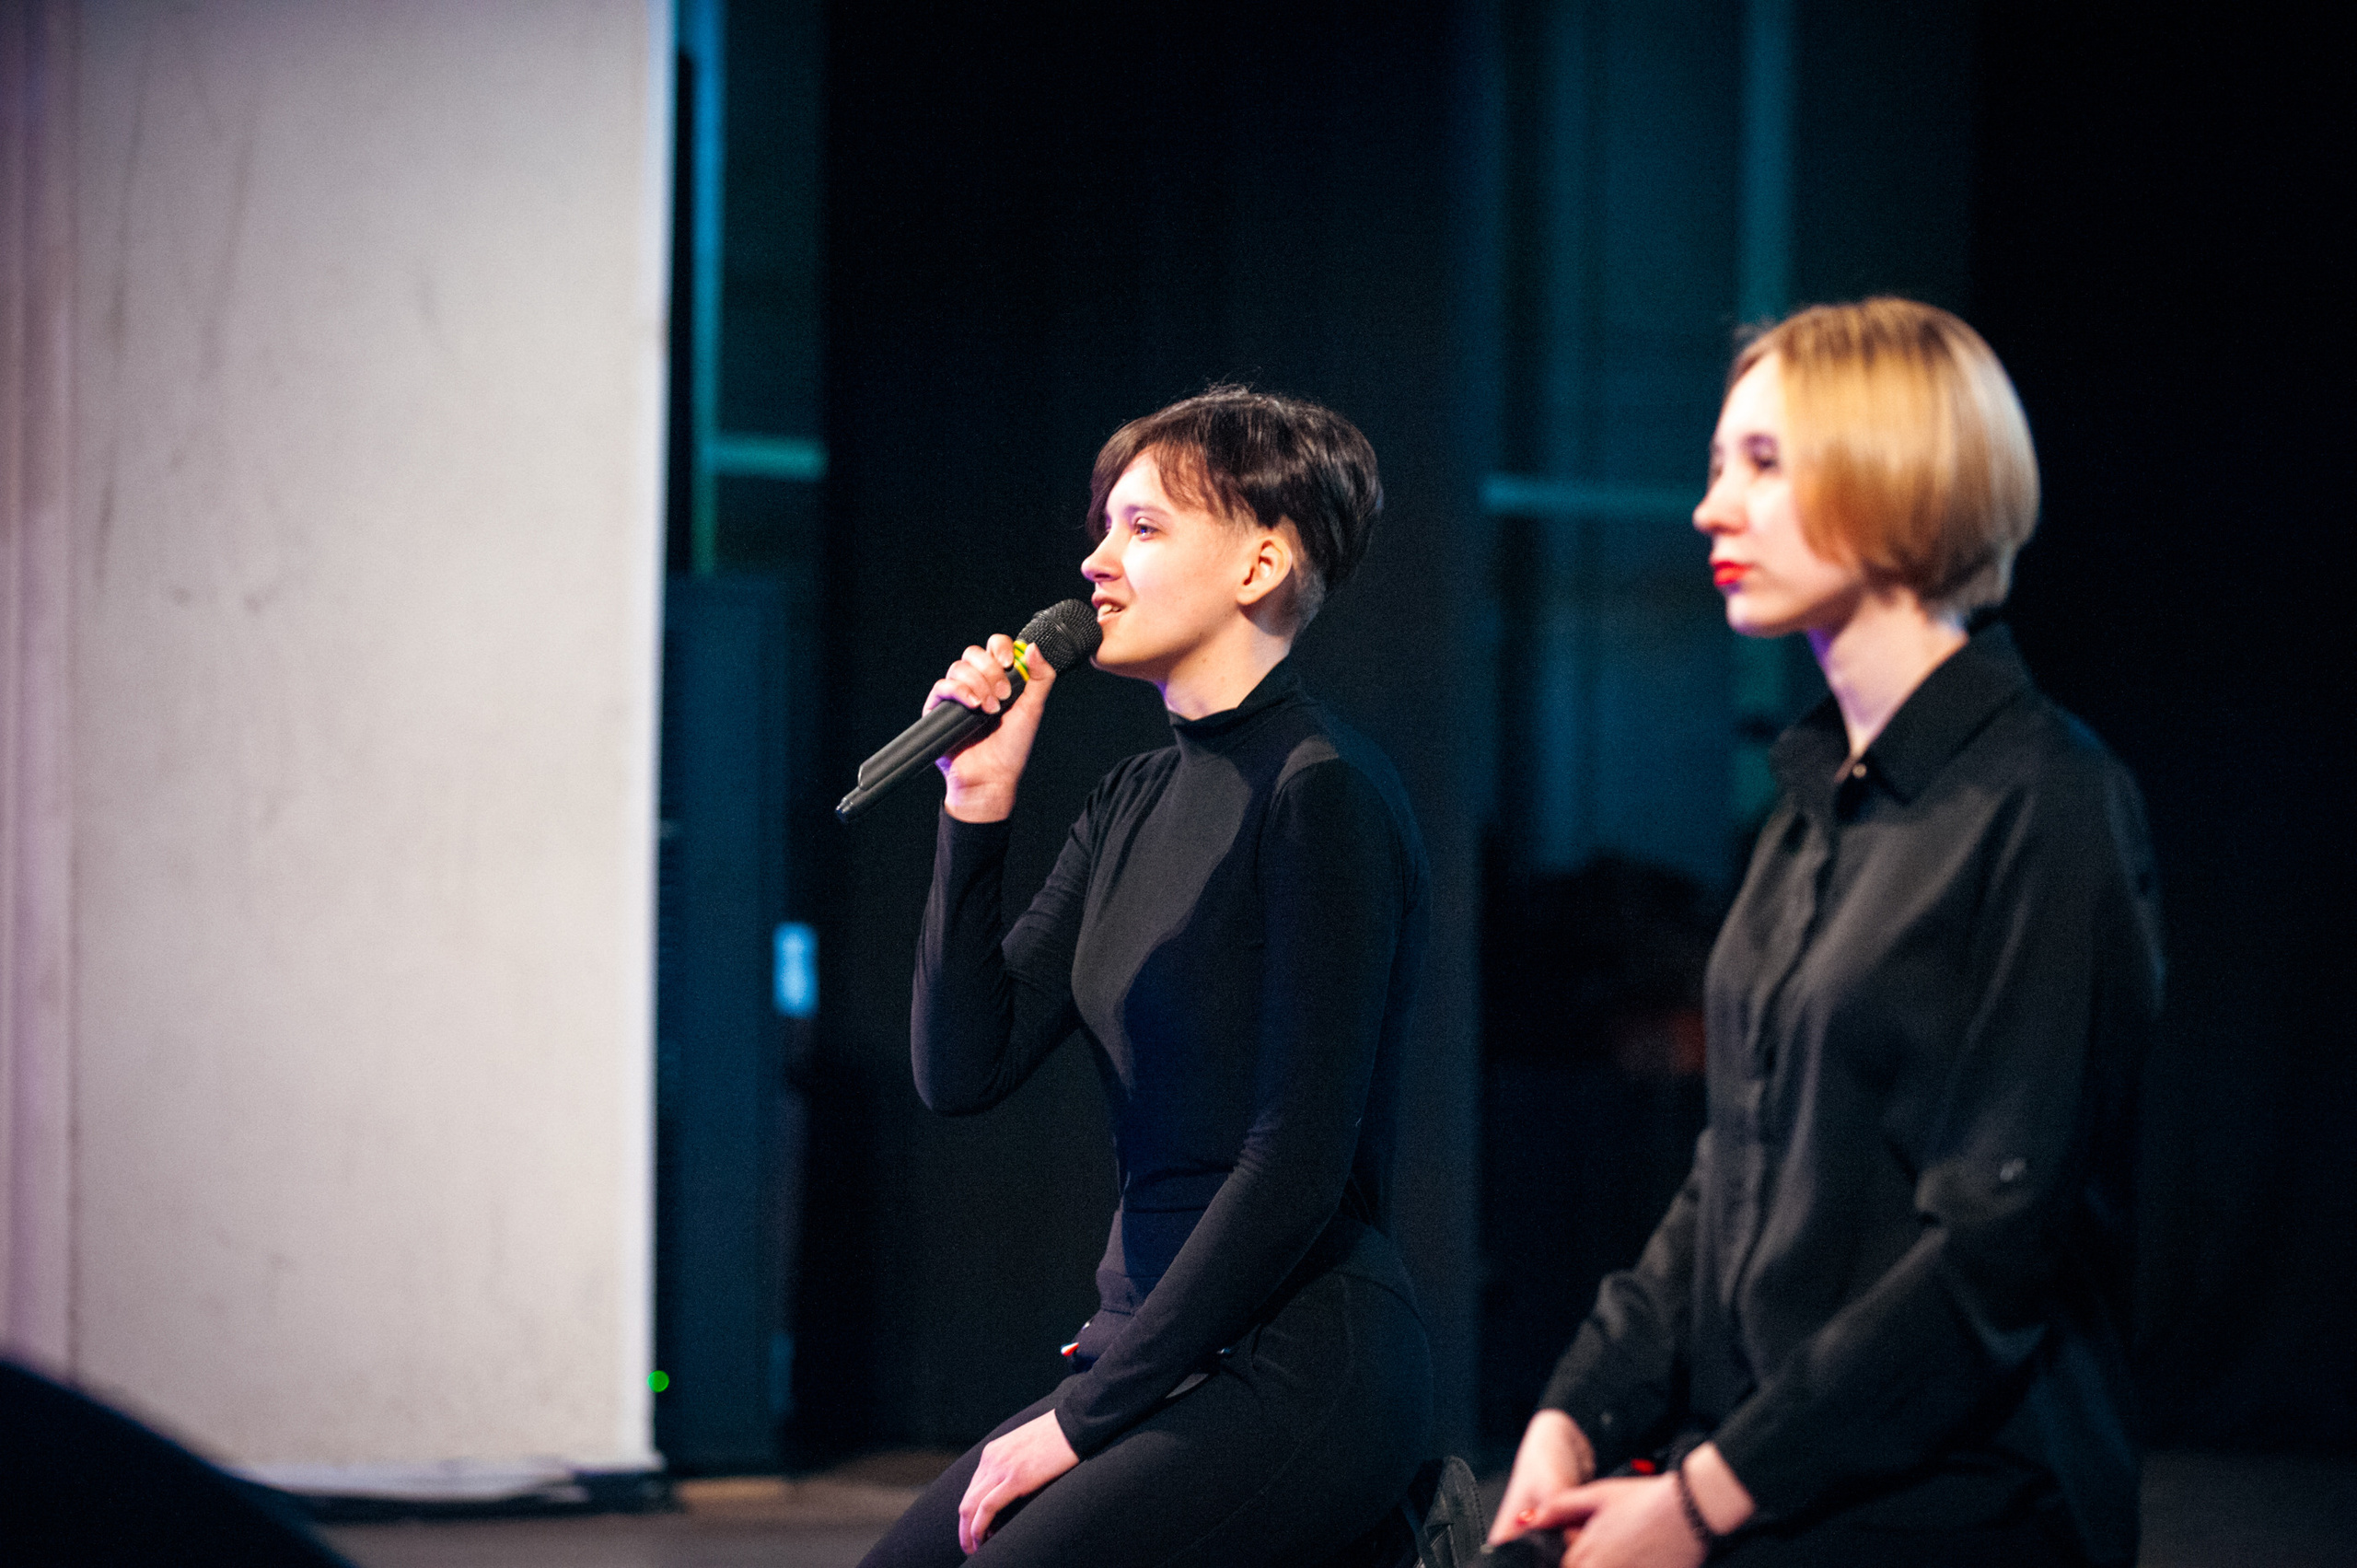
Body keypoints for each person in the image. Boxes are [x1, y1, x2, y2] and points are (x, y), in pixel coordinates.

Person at [1488, 299, 2163, 1568]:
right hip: (1770, 1456)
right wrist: (1581, 1405)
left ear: (1898, 475)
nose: (1710, 509)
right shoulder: (1810, 809)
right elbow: (1733, 1161)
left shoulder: (2053, 805)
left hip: (1957, 1488)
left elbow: (1990, 1258)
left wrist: (1699, 1501)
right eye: (1714, 466)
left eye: (1761, 463)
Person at [858, 388, 1435, 1568]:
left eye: (1143, 527)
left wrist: (1081, 1420)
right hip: (1149, 1342)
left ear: (1261, 561)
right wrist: (976, 809)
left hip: (1294, 1352)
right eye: (1104, 527)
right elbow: (962, 1067)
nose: (1095, 559)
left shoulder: (1318, 792)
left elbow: (1295, 1165)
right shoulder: (1129, 801)